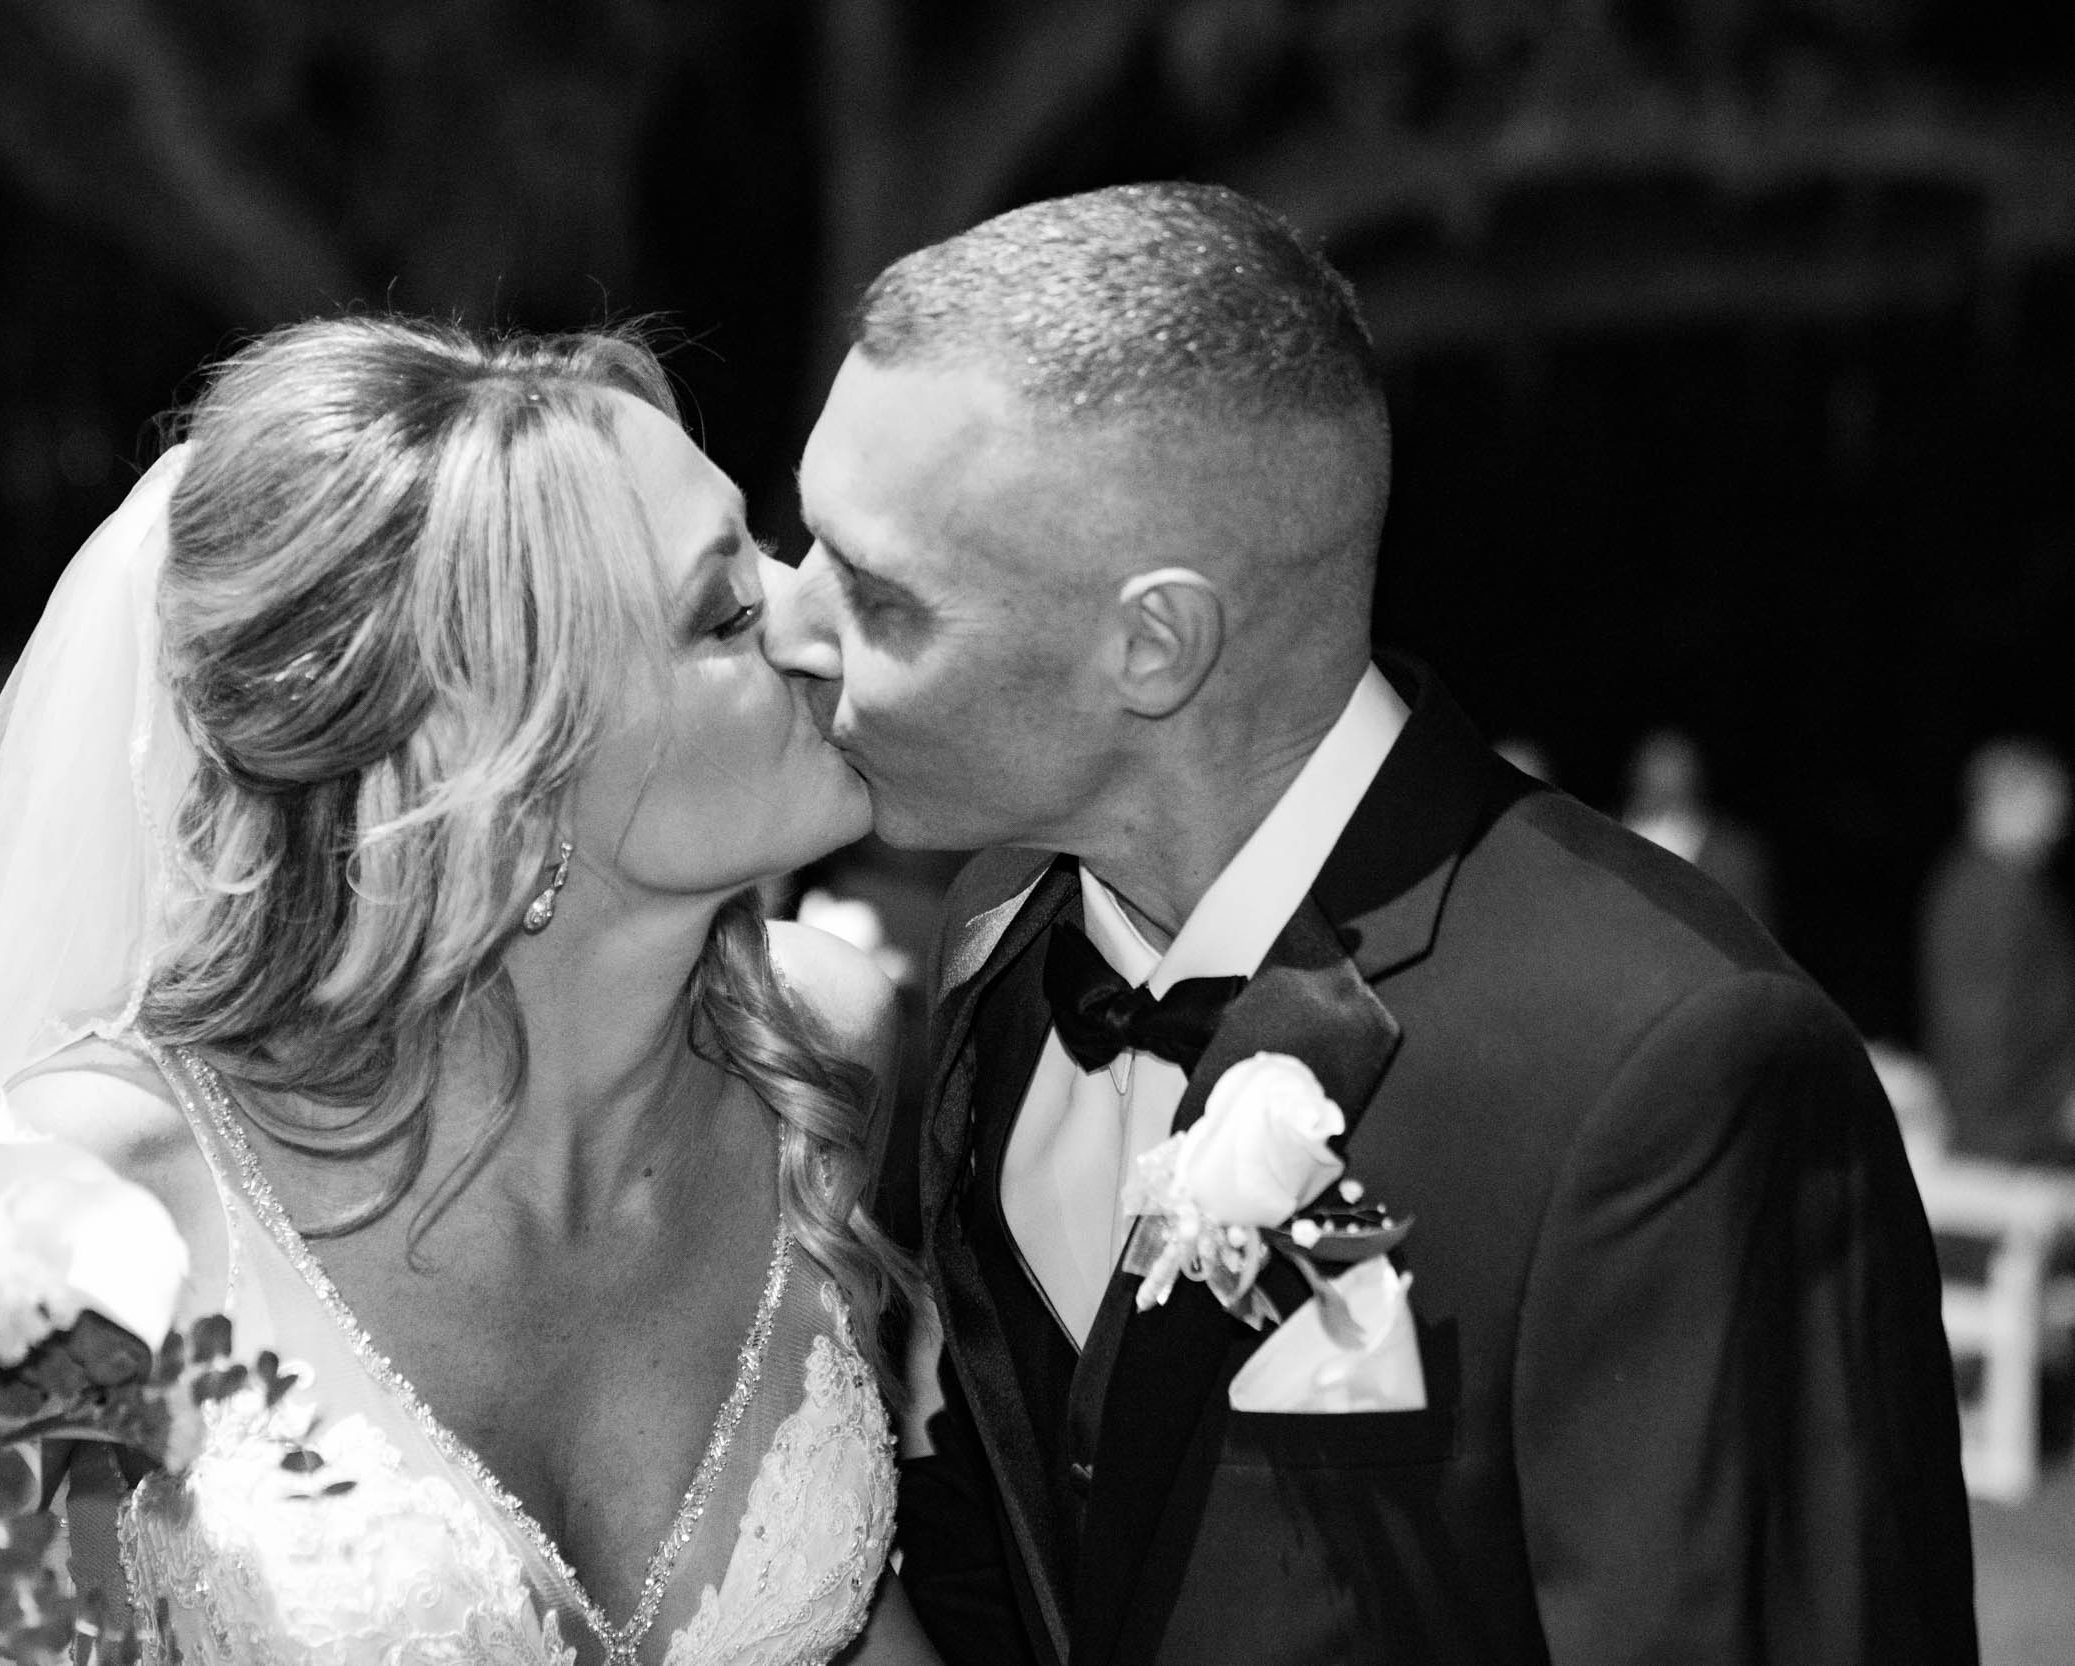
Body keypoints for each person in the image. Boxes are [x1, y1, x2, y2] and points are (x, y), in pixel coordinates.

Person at [765, 183, 1974, 1665]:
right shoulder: (999, 945)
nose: (788, 621)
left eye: (879, 598)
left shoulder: (1667, 1069)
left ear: (1152, 646)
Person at [0, 319, 942, 1666]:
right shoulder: (103, 1189)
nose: (814, 615)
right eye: (723, 612)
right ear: (498, 756)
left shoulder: (825, 1055)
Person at [1919, 736, 2075, 1165]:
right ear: (2005, 801)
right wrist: (2050, 1107)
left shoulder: (2009, 886)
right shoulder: (1986, 894)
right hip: (2010, 1130)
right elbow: (1984, 1025)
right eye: (2050, 800)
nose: (2061, 821)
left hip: (2018, 1119)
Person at [1619, 725, 1776, 934]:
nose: (1663, 776)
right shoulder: (1601, 838)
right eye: (1656, 765)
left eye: (1674, 766)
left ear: (1694, 775)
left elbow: (1757, 940)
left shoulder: (1732, 856)